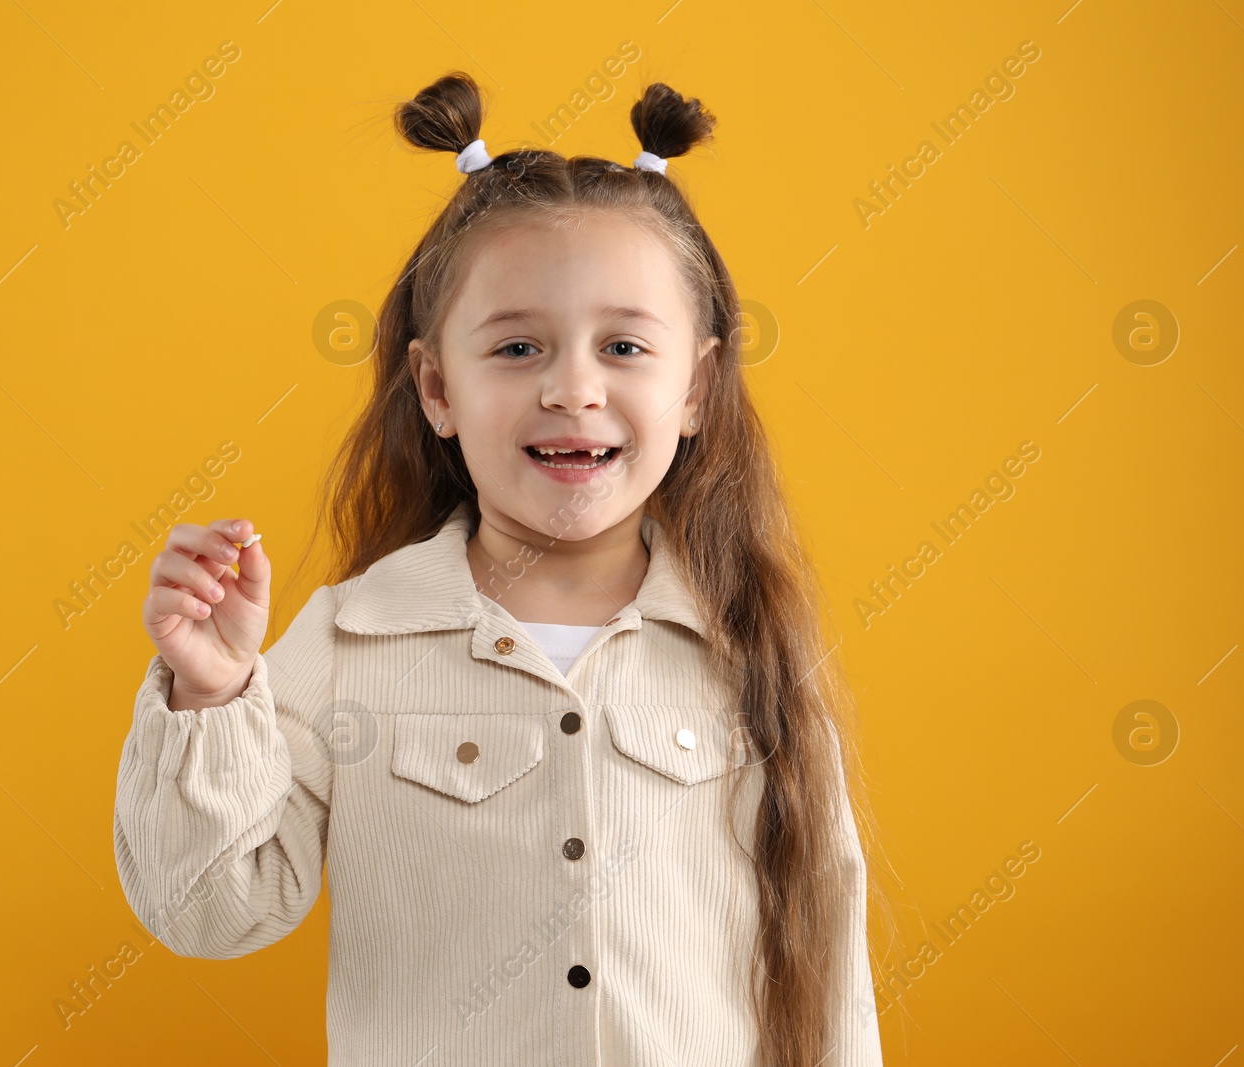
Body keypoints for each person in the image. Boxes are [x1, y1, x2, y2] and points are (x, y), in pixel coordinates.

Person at [114, 70, 885, 1066]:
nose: (572, 388)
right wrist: (209, 694)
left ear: (694, 386)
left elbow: (826, 965)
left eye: (622, 346)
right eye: (517, 346)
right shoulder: (351, 639)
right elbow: (206, 911)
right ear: (436, 385)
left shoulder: (753, 650)